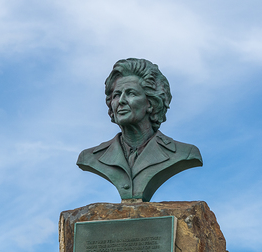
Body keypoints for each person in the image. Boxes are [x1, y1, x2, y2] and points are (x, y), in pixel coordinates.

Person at [77, 58, 202, 202]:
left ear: (151, 103)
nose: (121, 101)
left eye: (131, 93)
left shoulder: (184, 153)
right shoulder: (90, 157)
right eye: (116, 95)